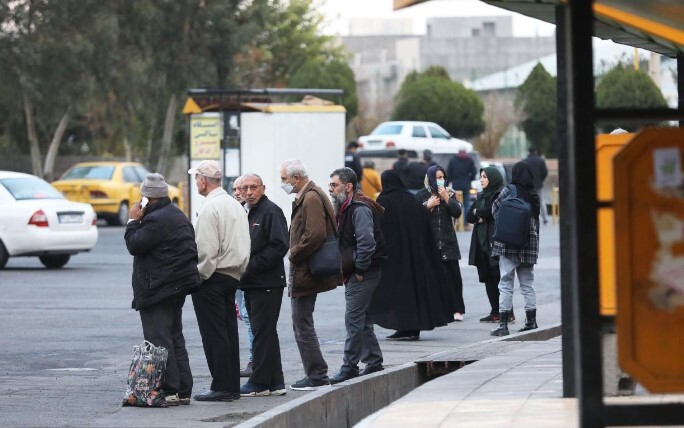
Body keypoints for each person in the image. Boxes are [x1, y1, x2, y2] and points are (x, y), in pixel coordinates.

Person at [124, 173, 199, 406]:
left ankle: (170, 389)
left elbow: (134, 244)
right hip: (175, 287)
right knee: (174, 336)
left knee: (159, 340)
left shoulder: (155, 220)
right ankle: (183, 389)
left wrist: (133, 221)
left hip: (158, 288)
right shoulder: (176, 214)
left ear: (147, 198)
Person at [189, 160, 250, 402]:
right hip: (232, 274)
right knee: (228, 332)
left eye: (196, 178)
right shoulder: (235, 205)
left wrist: (199, 276)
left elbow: (206, 249)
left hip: (212, 277)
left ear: (203, 181)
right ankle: (231, 385)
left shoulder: (209, 208)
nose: (196, 182)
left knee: (214, 334)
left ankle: (222, 386)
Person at [370, 170, 457, 341]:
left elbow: (381, 228)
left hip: (394, 255)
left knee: (397, 292)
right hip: (415, 255)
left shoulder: (384, 200)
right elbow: (423, 222)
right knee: (413, 292)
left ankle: (403, 327)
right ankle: (412, 328)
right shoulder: (411, 199)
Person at [280, 159, 341, 391]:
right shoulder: (309, 195)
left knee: (302, 323)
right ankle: (316, 373)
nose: (283, 183)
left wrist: (294, 254)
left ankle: (317, 375)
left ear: (297, 178)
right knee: (302, 322)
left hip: (306, 270)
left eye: (284, 179)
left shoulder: (311, 197)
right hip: (306, 269)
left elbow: (314, 235)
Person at [328, 167, 387, 384]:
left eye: (334, 185)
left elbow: (366, 242)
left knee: (353, 319)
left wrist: (361, 269)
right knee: (362, 319)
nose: (330, 189)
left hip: (364, 272)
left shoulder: (359, 208)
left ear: (348, 186)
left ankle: (349, 366)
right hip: (355, 271)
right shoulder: (345, 207)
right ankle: (373, 361)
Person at [237, 174, 290, 397]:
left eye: (253, 187)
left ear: (263, 188)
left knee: (261, 333)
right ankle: (275, 383)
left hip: (266, 283)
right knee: (266, 333)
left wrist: (250, 267)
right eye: (245, 188)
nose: (249, 192)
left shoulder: (271, 211)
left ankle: (258, 382)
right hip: (252, 283)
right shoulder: (248, 211)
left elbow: (280, 246)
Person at [490, 161, 540, 336]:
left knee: (505, 283)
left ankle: (503, 325)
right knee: (528, 285)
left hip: (509, 243)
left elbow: (494, 210)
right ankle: (531, 321)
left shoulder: (509, 190)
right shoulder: (533, 194)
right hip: (528, 245)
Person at [416, 165, 466, 321]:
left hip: (447, 241)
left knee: (453, 278)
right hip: (429, 242)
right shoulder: (422, 195)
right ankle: (439, 310)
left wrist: (446, 197)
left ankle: (457, 310)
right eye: (437, 177)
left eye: (442, 177)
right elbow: (415, 217)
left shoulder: (451, 193)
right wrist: (427, 206)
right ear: (430, 178)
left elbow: (457, 213)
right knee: (433, 279)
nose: (440, 180)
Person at [467, 167, 505, 323]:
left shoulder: (500, 194)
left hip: (494, 242)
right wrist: (478, 214)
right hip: (481, 244)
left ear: (493, 179)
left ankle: (506, 312)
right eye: (481, 177)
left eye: (484, 177)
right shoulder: (481, 196)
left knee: (499, 278)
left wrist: (478, 213)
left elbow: (492, 212)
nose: (481, 180)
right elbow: (469, 216)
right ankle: (495, 311)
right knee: (488, 278)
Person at [232, 175, 255, 378]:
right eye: (235, 189)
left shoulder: (250, 213)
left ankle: (254, 360)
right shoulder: (235, 211)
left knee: (249, 317)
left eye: (241, 189)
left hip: (247, 273)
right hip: (235, 273)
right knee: (244, 316)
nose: (238, 192)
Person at [446, 148, 477, 226]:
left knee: (456, 204)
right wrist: (470, 179)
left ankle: (458, 224)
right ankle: (466, 224)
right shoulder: (469, 160)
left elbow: (449, 173)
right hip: (466, 185)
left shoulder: (453, 160)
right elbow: (474, 172)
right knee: (467, 204)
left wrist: (447, 184)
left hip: (456, 185)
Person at [523, 147, 549, 225]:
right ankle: (545, 219)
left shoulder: (525, 161)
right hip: (538, 185)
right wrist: (541, 180)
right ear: (536, 151)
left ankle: (530, 218)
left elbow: (523, 173)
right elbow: (545, 172)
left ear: (528, 152)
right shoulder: (541, 160)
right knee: (541, 201)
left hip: (528, 185)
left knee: (528, 202)